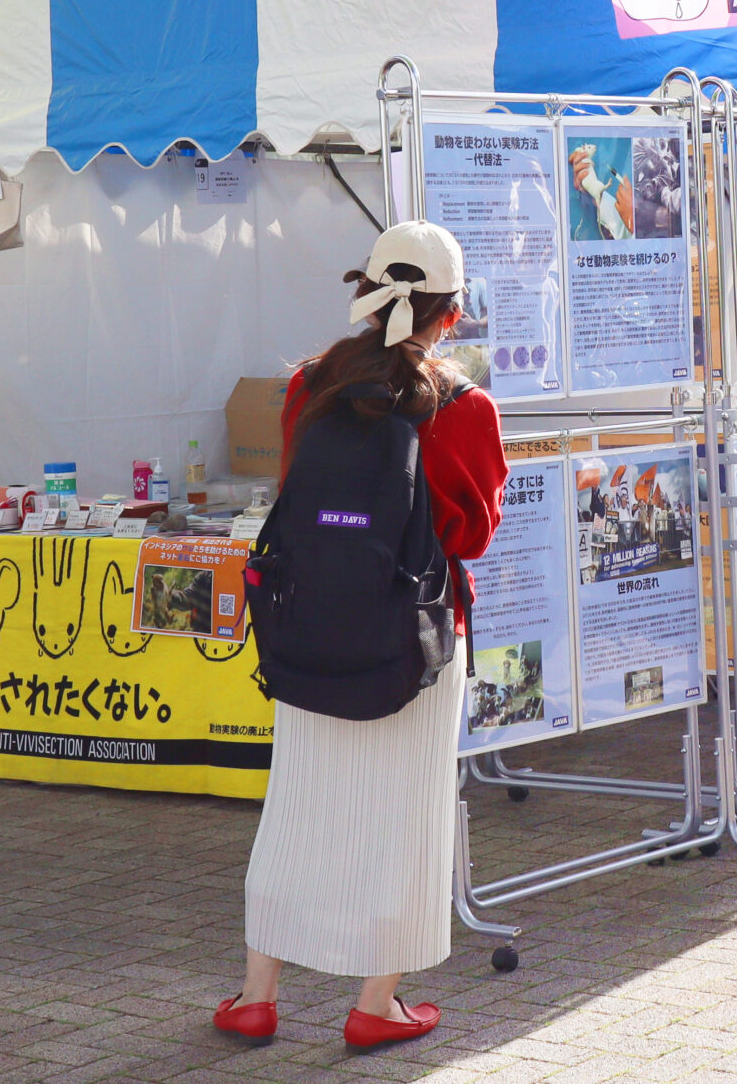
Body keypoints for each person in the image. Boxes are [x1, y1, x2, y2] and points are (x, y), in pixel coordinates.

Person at [214, 221, 506, 1049]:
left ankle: (256, 995)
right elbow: (473, 532)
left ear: (368, 295)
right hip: (415, 642)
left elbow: (294, 490)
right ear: (452, 313)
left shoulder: (310, 386)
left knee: (297, 806)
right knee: (406, 819)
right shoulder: (466, 405)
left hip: (310, 628)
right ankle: (375, 1004)